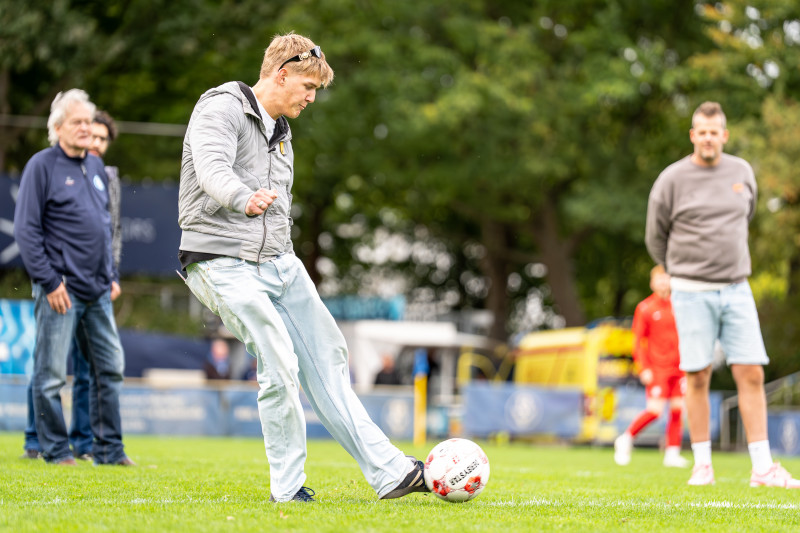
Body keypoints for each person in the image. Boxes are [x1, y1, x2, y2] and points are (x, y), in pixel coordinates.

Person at [177, 32, 428, 502]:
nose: (312, 98)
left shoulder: (282, 133)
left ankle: (392, 473)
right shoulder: (221, 108)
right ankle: (288, 488)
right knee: (278, 357)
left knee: (328, 359)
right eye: (308, 87)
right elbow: (212, 169)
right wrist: (242, 197)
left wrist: (285, 257)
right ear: (281, 74)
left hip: (278, 262)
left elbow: (278, 213)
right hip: (219, 258)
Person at [645, 101, 798, 487]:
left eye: (715, 132)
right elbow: (655, 236)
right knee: (696, 375)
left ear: (724, 135)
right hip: (691, 291)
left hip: (736, 288)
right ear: (693, 135)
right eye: (702, 132)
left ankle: (762, 468)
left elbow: (747, 214)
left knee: (751, 371)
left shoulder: (742, 171)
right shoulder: (671, 179)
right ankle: (702, 466)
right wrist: (680, 270)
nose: (708, 138)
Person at [14, 89, 133, 466]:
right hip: (61, 290)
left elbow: (106, 227)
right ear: (58, 127)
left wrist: (111, 274)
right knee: (50, 375)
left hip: (98, 291)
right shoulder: (41, 165)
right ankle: (54, 450)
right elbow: (26, 230)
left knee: (110, 370)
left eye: (89, 121)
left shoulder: (95, 167)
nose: (86, 128)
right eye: (78, 122)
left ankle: (109, 450)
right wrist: (49, 281)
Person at [614, 265, 688, 468]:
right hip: (657, 369)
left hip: (679, 368)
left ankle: (672, 453)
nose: (664, 282)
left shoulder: (680, 305)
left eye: (666, 278)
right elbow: (638, 341)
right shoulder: (645, 308)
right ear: (652, 283)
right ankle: (626, 438)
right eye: (659, 279)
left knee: (677, 411)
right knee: (655, 411)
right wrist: (643, 367)